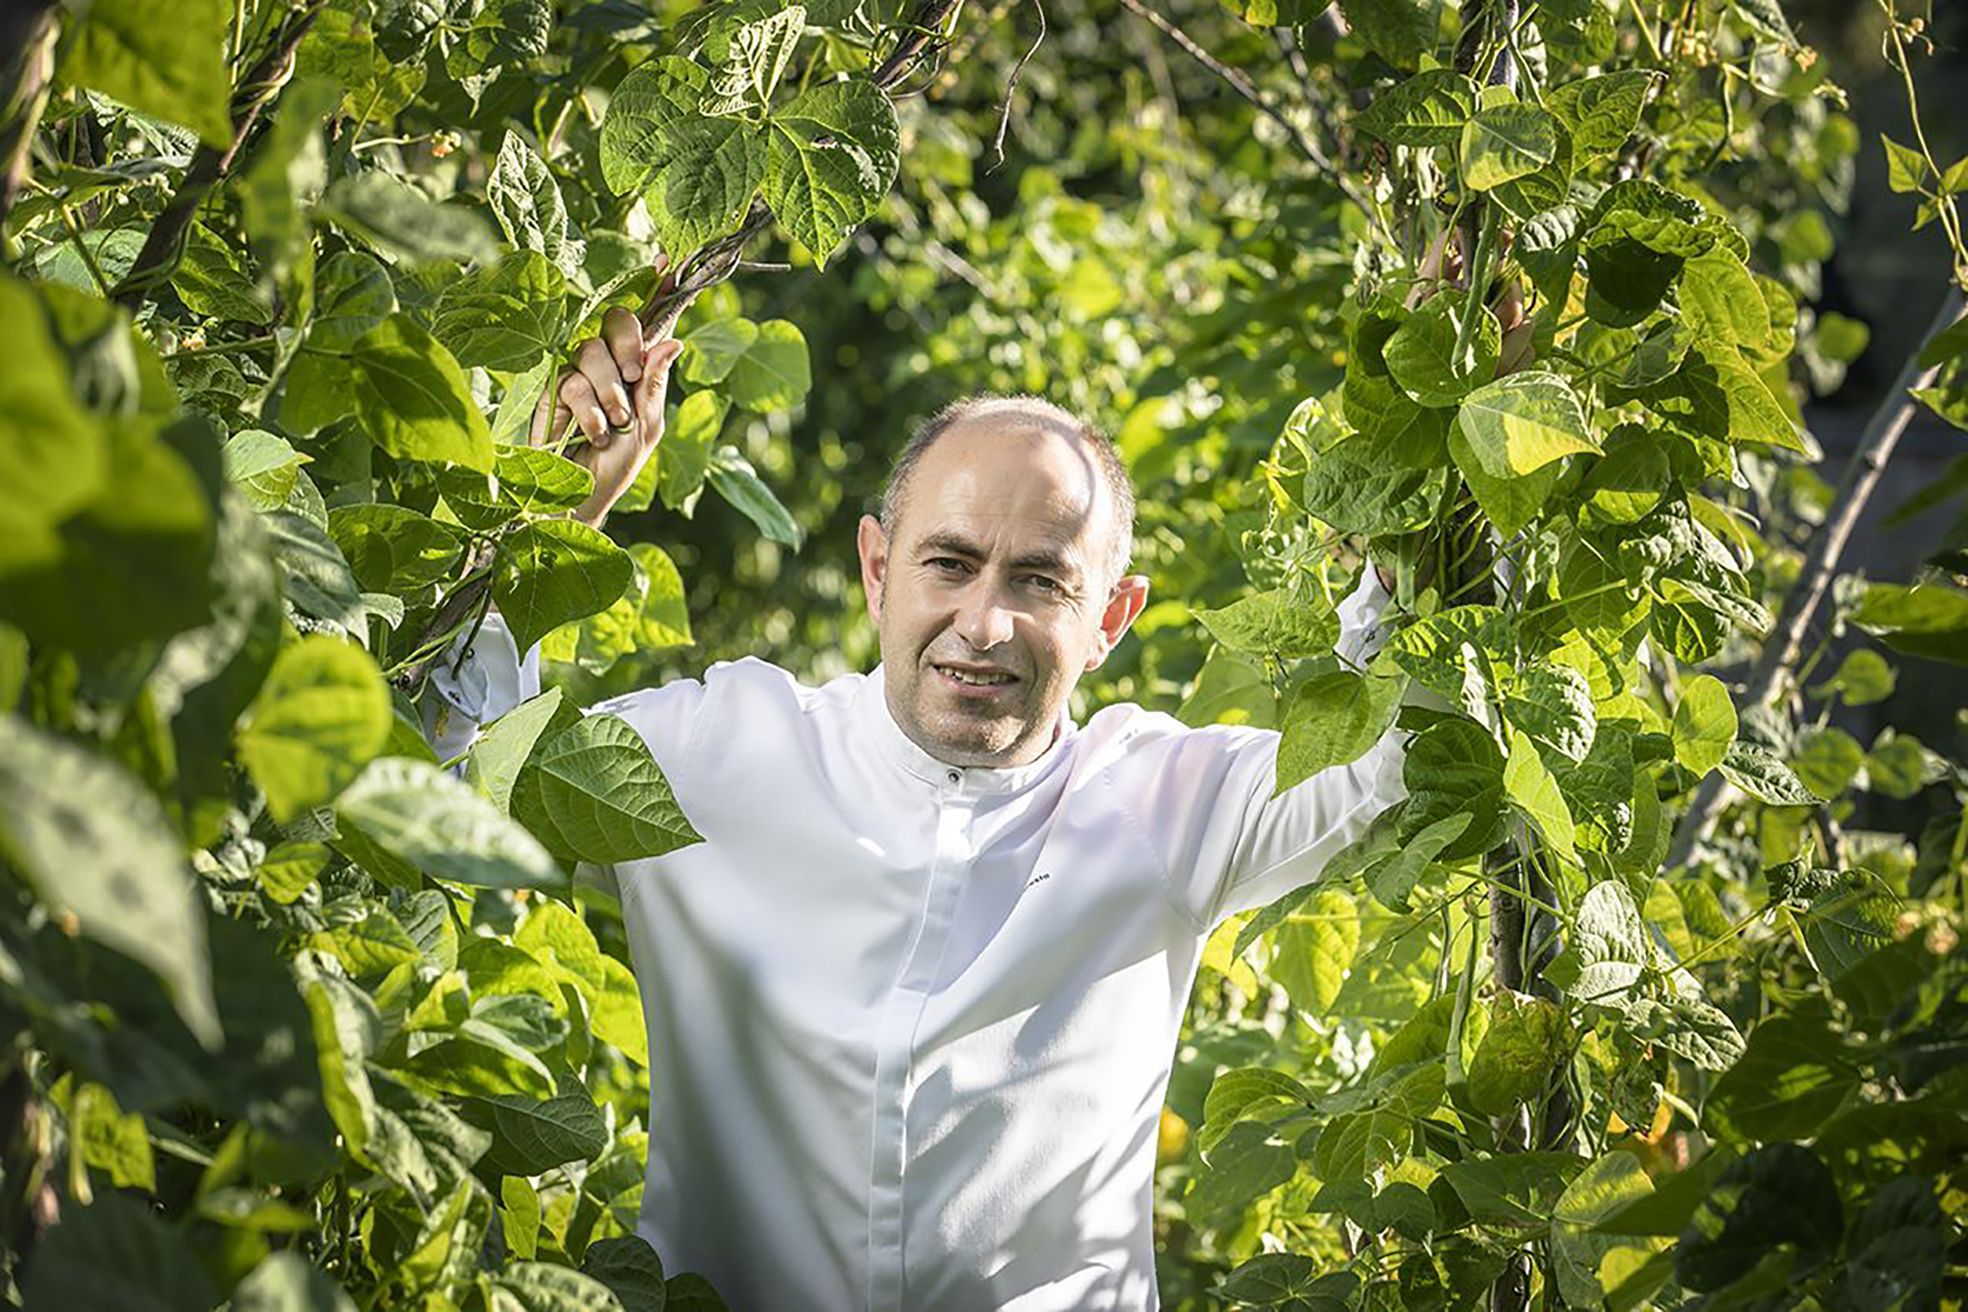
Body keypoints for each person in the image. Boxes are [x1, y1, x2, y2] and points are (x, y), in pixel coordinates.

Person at [426, 301, 1407, 1312]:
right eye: (948, 562)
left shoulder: (1163, 806)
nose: (982, 624)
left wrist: (1418, 421)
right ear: (877, 570)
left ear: (1111, 618)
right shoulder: (718, 752)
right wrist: (543, 520)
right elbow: (437, 807)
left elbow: (1395, 763)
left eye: (1040, 579)